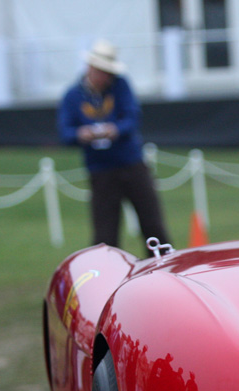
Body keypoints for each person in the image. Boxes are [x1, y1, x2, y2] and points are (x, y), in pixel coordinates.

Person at [58, 39, 170, 249]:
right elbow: (65, 132)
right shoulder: (73, 96)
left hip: (131, 163)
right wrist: (81, 134)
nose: (107, 77)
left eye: (109, 72)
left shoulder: (121, 85)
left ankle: (165, 271)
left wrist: (115, 130)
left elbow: (132, 118)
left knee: (153, 225)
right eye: (103, 72)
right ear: (91, 68)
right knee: (105, 234)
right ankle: (107, 278)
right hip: (101, 170)